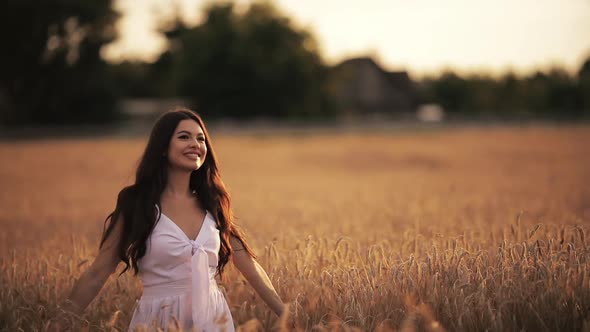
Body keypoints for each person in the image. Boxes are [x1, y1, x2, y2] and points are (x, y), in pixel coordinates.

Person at [61, 108, 285, 331]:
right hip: (158, 321)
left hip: (213, 321)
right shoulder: (135, 202)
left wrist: (286, 316)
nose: (195, 144)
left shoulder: (212, 203)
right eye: (184, 137)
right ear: (162, 147)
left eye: (201, 138)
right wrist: (59, 324)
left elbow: (250, 267)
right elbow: (98, 273)